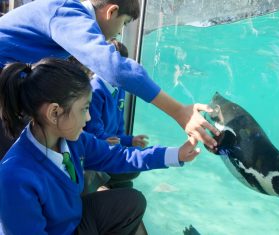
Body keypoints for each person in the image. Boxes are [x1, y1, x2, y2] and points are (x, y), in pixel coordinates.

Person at [0, 58, 200, 235]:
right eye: (84, 109)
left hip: (73, 221)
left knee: (133, 201)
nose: (88, 117)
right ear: (54, 113)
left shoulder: (74, 140)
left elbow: (120, 157)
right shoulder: (14, 178)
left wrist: (176, 155)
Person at [0, 0, 219, 159]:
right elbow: (113, 67)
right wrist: (179, 111)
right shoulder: (67, 12)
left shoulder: (62, 12)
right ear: (112, 11)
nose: (120, 32)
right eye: (124, 24)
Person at [83, 39, 148, 193]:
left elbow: (119, 126)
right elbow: (93, 130)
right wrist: (111, 143)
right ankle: (100, 184)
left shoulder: (119, 88)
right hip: (98, 148)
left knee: (129, 183)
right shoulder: (95, 90)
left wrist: (130, 140)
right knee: (132, 170)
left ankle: (115, 193)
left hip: (111, 145)